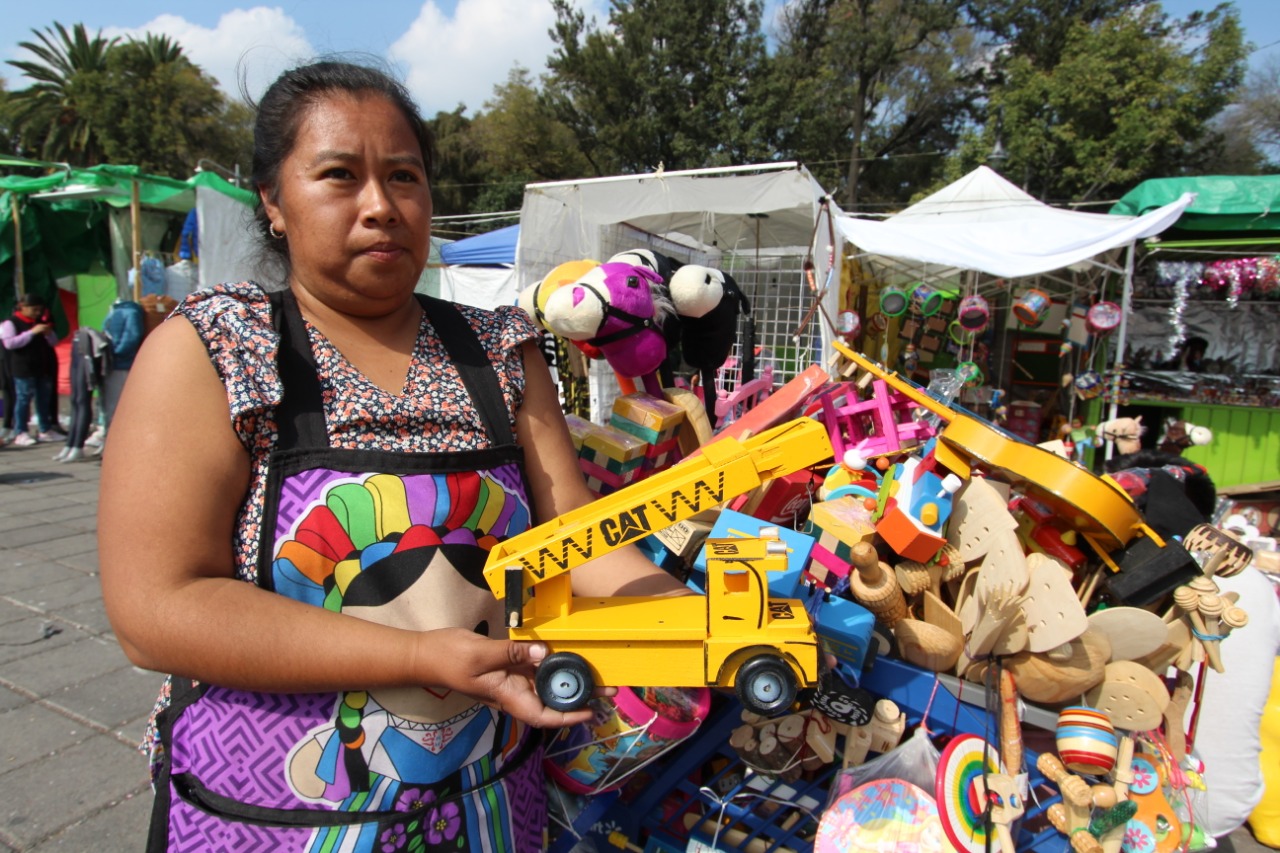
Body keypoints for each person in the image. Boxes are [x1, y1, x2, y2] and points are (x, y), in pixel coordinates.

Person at [98, 60, 686, 852]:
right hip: (276, 812)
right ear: (272, 200)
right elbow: (157, 609)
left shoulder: (500, 351)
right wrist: (417, 655)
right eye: (339, 175)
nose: (380, 205)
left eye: (404, 176)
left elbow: (576, 541)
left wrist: (695, 625)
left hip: (486, 807)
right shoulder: (217, 348)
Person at [0, 292, 60, 446]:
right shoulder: (10, 323)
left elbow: (53, 342)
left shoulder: (40, 322)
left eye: (40, 310)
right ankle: (20, 431)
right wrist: (31, 333)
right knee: (23, 399)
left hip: (42, 366)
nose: (37, 313)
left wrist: (49, 334)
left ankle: (45, 429)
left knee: (44, 399)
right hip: (23, 368)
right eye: (34, 309)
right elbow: (9, 344)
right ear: (23, 307)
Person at [54, 326, 110, 462]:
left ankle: (78, 445)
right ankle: (71, 444)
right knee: (76, 400)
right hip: (83, 350)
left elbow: (128, 340)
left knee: (82, 401)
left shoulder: (129, 314)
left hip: (102, 359)